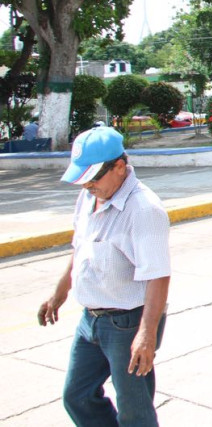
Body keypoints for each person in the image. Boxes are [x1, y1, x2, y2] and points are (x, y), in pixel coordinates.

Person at [38, 126, 171, 426]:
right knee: (77, 396)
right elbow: (80, 247)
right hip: (90, 321)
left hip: (128, 324)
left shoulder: (143, 209)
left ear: (120, 167)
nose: (86, 186)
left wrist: (146, 335)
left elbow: (158, 276)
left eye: (93, 178)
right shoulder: (89, 197)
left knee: (134, 410)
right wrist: (61, 289)